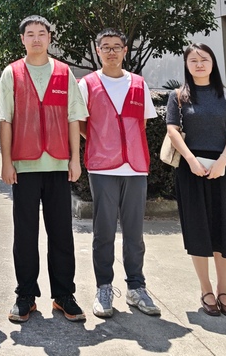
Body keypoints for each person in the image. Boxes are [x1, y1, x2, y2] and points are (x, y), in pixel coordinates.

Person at [0, 15, 87, 323]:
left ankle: (63, 295)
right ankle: (26, 295)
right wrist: (6, 162)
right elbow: (6, 120)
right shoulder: (11, 73)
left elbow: (74, 118)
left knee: (61, 232)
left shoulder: (64, 72)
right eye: (30, 34)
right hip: (24, 165)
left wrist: (75, 159)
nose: (36, 38)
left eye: (42, 33)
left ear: (49, 38)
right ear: (22, 39)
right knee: (25, 234)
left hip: (58, 164)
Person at [166, 43, 226, 317]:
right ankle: (206, 290)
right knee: (198, 231)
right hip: (191, 170)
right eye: (193, 60)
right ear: (186, 65)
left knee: (224, 230)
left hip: (225, 170)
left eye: (204, 59)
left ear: (213, 63)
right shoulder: (178, 96)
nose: (199, 64)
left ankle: (223, 290)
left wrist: (222, 163)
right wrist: (191, 161)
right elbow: (172, 131)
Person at [78, 29, 161, 318]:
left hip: (135, 167)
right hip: (101, 167)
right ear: (98, 51)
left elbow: (142, 124)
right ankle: (104, 287)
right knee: (103, 231)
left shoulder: (138, 83)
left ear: (125, 50)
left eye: (116, 46)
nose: (111, 51)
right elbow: (80, 122)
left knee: (134, 232)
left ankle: (136, 287)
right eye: (106, 47)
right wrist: (102, 141)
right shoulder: (88, 84)